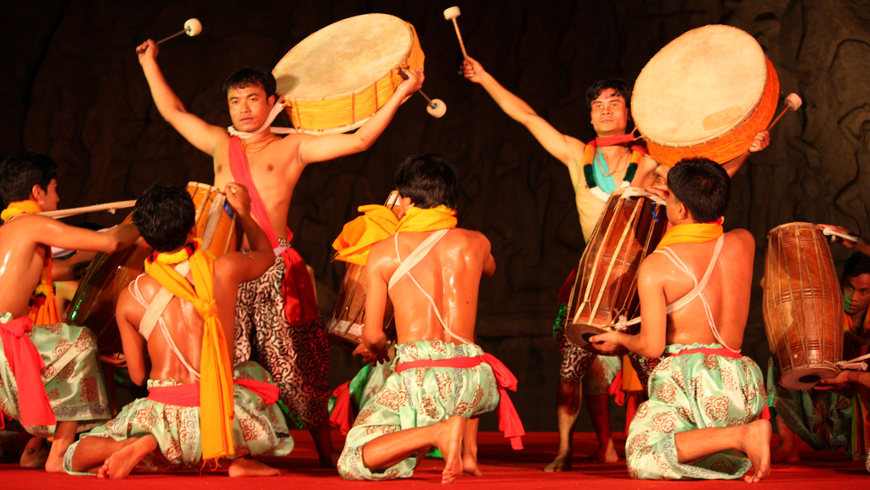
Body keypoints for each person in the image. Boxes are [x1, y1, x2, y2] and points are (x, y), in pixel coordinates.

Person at [136, 39, 423, 466]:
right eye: (235, 101)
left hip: (272, 268)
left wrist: (401, 92)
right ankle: (211, 444)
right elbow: (173, 112)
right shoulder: (219, 143)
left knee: (299, 363)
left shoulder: (295, 146)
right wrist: (148, 63)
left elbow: (360, 140)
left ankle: (326, 450)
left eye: (253, 99)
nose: (244, 108)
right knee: (212, 357)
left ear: (273, 102)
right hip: (219, 271)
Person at [64, 182, 293, 478]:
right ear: (193, 229)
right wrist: (244, 212)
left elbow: (137, 377)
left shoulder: (129, 298)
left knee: (74, 455)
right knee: (253, 376)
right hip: (217, 412)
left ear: (145, 239)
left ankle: (147, 443)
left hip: (164, 411)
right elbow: (267, 253)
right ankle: (233, 458)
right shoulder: (225, 268)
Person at [336, 154, 523, 484]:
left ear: (406, 199)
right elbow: (489, 267)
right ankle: (451, 437)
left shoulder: (384, 251)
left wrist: (381, 349)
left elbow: (374, 335)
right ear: (450, 198)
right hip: (474, 382)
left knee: (353, 460)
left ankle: (437, 432)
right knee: (392, 448)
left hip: (421, 381)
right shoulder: (477, 243)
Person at [590, 158, 771, 482]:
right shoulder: (743, 241)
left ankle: (741, 436)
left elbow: (651, 346)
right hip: (741, 384)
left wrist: (620, 340)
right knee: (699, 458)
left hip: (691, 384)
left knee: (644, 455)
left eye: (670, 197)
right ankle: (735, 434)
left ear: (682, 209)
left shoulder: (658, 265)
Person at [0, 151, 140, 473]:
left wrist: (82, 262)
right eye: (54, 188)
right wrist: (141, 222)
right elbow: (111, 243)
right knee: (80, 343)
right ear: (37, 192)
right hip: (6, 341)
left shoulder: (7, 230)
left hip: (5, 340)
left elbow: (56, 269)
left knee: (56, 346)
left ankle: (35, 447)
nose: (59, 197)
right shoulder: (33, 223)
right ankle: (58, 454)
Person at [768, 251, 870, 464]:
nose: (853, 298)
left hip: (861, 401)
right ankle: (788, 445)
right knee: (781, 359)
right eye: (850, 288)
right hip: (827, 396)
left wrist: (850, 378)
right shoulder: (826, 309)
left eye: (864, 291)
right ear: (842, 282)